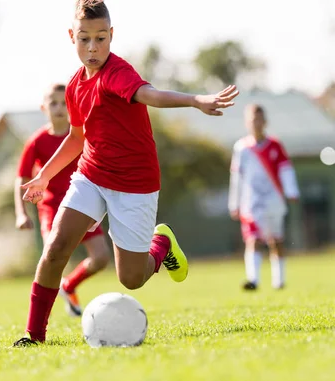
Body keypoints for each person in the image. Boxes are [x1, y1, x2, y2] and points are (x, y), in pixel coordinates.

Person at [13, 0, 239, 346]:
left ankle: (160, 244)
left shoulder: (117, 74)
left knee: (131, 279)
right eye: (85, 39)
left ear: (111, 36)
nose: (93, 47)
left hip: (134, 185)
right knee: (56, 246)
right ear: (72, 36)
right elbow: (76, 138)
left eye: (101, 38)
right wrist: (44, 176)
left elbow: (151, 95)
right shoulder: (74, 86)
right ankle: (34, 336)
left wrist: (194, 100)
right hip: (91, 176)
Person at [15, 83, 111, 317]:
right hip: (51, 209)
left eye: (64, 103)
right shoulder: (36, 142)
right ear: (43, 108)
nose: (59, 108)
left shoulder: (81, 136)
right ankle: (39, 316)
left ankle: (69, 285)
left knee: (100, 259)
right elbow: (22, 178)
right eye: (53, 103)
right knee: (53, 256)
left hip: (82, 203)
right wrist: (21, 213)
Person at [228, 104, 299, 291]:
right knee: (253, 239)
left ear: (265, 121)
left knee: (276, 240)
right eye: (253, 120)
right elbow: (237, 177)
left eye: (259, 119)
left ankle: (279, 280)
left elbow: (285, 169)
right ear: (247, 123)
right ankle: (253, 279)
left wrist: (292, 191)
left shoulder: (275, 145)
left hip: (274, 199)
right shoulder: (241, 148)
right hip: (251, 202)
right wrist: (234, 203)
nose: (256, 124)